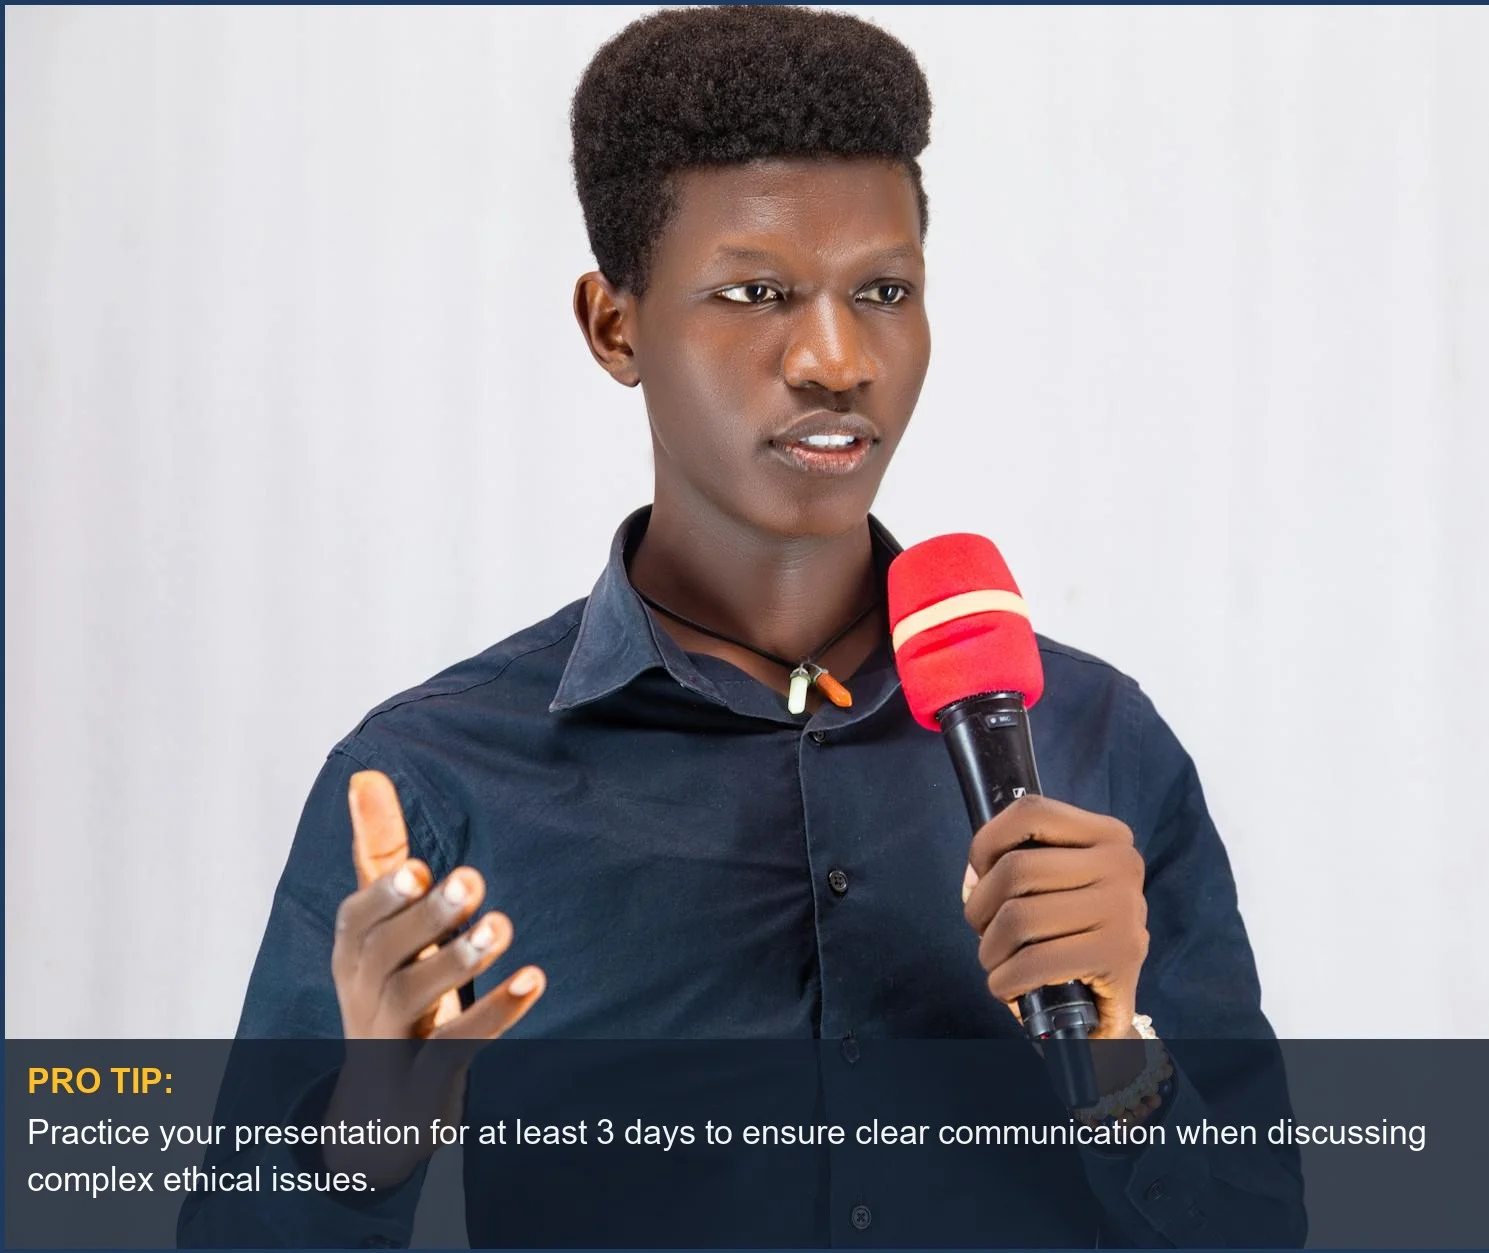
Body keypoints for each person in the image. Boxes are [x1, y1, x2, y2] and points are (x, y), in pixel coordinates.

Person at [179, 6, 1305, 1247]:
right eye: (754, 292)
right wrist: (363, 1142)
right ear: (617, 326)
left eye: (882, 289)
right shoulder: (434, 785)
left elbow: (1257, 1224)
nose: (835, 357)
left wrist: (1114, 1060)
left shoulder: (1090, 735)